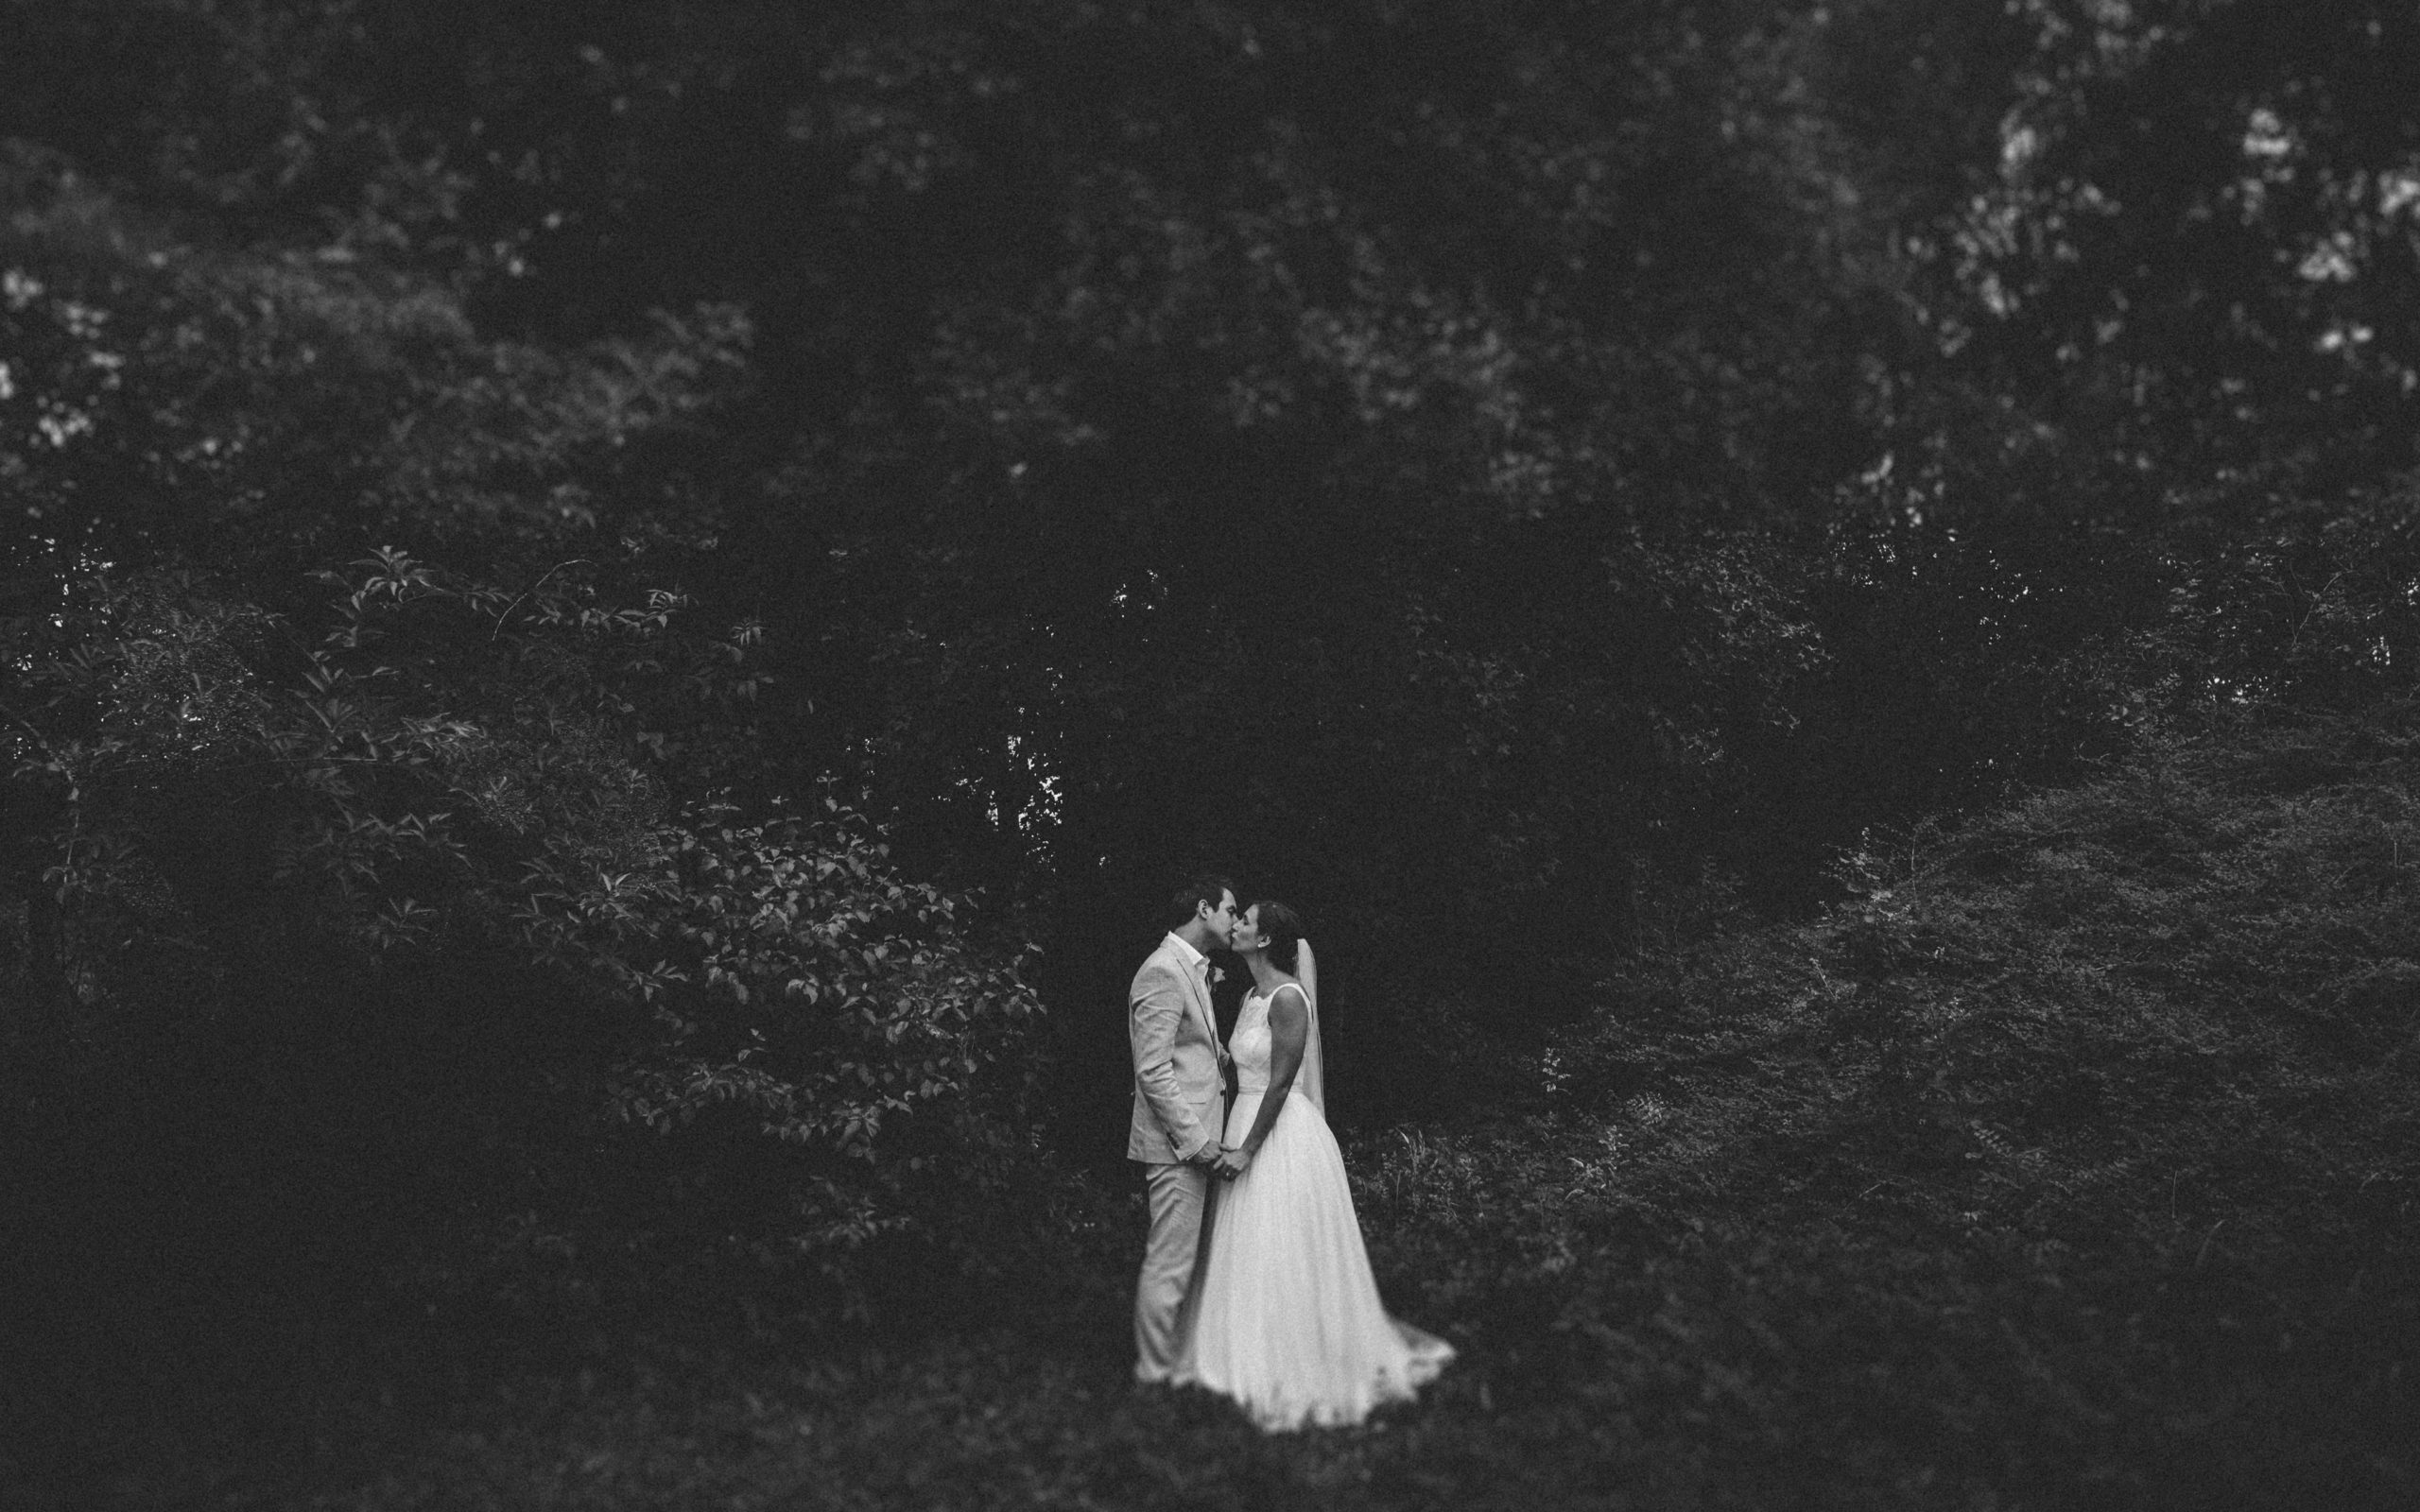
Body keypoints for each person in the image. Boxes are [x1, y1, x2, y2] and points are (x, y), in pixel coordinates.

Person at [1176, 901, 1455, 1430]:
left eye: (1246, 921)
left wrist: (1247, 1150)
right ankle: (1245, 1347)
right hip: (1242, 1118)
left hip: (1277, 1132)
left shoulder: (1287, 998)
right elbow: (1241, 1067)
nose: (1235, 925)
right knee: (1249, 1243)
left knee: (1282, 1239)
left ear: (1264, 941)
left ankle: (1297, 1356)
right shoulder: (1247, 996)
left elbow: (1281, 1083)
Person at [1127, 874, 1238, 1384]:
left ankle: (1181, 1363)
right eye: (1229, 910)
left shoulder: (1192, 969)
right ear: (1203, 909)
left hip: (1203, 1139)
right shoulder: (1162, 972)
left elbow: (1184, 1048)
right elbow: (1152, 1072)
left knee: (1191, 1260)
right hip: (1178, 1147)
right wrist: (1196, 1145)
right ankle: (1154, 1374)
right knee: (1171, 1260)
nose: (1234, 920)